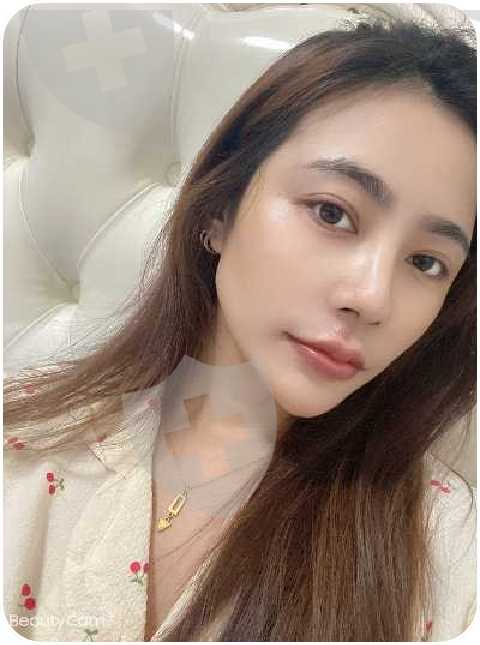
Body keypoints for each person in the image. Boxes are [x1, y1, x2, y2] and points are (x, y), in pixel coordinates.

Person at [3, 14, 477, 642]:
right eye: (332, 212)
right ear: (219, 211)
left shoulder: (448, 549)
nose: (371, 297)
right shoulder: (26, 438)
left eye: (426, 262)